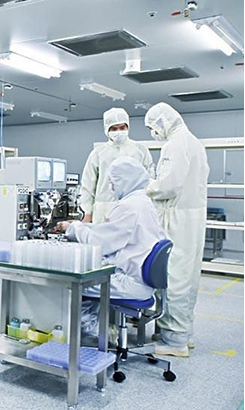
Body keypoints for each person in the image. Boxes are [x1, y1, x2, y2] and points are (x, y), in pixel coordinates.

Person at [57, 157, 165, 336]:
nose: (111, 187)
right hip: (142, 280)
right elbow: (111, 231)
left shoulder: (129, 206)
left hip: (130, 282)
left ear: (127, 180)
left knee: (67, 284)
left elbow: (99, 243)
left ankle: (100, 332)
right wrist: (82, 226)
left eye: (114, 182)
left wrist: (73, 228)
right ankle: (99, 328)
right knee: (93, 274)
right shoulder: (142, 202)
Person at [144, 102, 209, 358]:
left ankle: (174, 341)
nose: (154, 133)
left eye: (153, 127)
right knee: (188, 275)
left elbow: (168, 186)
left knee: (174, 277)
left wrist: (147, 185)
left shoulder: (175, 144)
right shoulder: (193, 142)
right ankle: (184, 333)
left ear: (162, 123)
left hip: (176, 218)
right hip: (191, 218)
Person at [79, 108, 153, 224]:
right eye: (114, 128)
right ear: (107, 130)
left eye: (122, 128)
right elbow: (88, 185)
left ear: (128, 127)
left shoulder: (140, 150)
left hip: (134, 208)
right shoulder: (98, 153)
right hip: (104, 210)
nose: (118, 131)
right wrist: (87, 212)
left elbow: (149, 179)